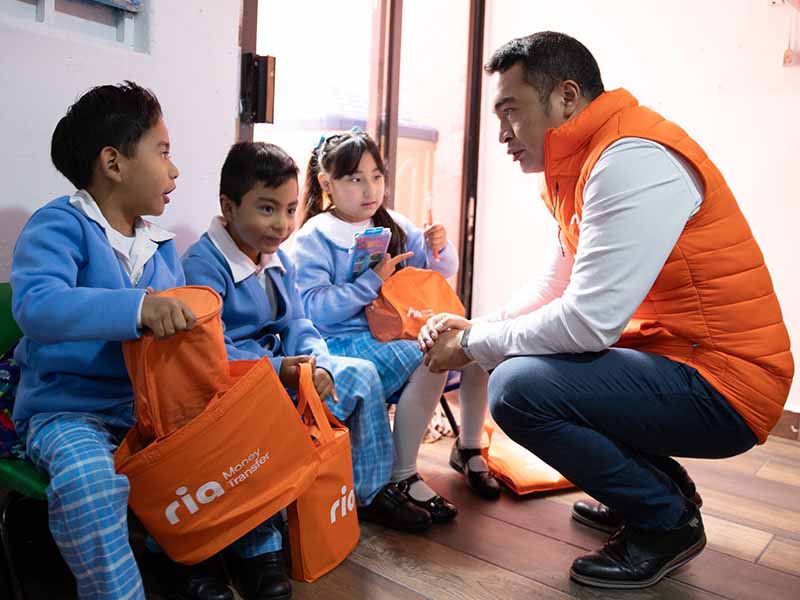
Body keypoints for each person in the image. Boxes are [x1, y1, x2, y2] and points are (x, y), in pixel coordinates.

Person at [419, 31, 793, 589]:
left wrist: (473, 346)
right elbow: (557, 284)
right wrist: (480, 326)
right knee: (529, 364)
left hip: (729, 383)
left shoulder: (631, 159)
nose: (501, 134)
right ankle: (658, 493)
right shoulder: (586, 162)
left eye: (511, 112)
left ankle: (665, 521)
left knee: (520, 387)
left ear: (566, 98)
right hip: (684, 361)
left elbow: (589, 321)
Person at [10, 82, 233, 600]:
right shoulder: (58, 226)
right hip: (69, 412)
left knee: (238, 439)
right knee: (90, 484)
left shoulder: (160, 244)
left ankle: (230, 563)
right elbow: (37, 306)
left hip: (148, 410)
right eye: (163, 151)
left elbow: (188, 334)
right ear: (114, 163)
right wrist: (138, 308)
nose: (174, 170)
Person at [182, 141, 432, 597]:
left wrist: (315, 359)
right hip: (236, 380)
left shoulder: (276, 256)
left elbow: (298, 319)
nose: (281, 224)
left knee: (359, 375)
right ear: (228, 206)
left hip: (287, 363)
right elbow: (210, 351)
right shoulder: (204, 264)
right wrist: (284, 367)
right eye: (266, 209)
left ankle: (365, 493)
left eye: (290, 209)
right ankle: (264, 538)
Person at [292, 130, 500, 524]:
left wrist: (440, 247)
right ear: (326, 183)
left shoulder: (392, 223)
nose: (370, 188)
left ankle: (466, 449)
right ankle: (402, 475)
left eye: (376, 176)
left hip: (391, 330)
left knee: (462, 342)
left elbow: (436, 271)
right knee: (431, 355)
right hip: (341, 342)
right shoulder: (315, 236)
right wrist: (371, 281)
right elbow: (313, 309)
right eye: (355, 178)